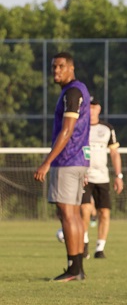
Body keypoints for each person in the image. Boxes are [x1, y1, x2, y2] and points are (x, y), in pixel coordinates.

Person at [33, 52, 90, 282]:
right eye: (53, 67)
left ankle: (73, 269)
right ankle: (77, 267)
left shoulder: (73, 92)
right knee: (72, 214)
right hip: (77, 161)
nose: (56, 71)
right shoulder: (78, 90)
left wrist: (47, 162)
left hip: (67, 160)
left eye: (60, 66)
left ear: (71, 68)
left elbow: (67, 130)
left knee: (67, 215)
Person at [80, 97, 123, 259]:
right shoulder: (80, 126)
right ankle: (84, 243)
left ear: (99, 109)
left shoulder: (107, 129)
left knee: (104, 212)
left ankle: (100, 248)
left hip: (102, 177)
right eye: (88, 107)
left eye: (94, 107)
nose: (91, 110)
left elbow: (114, 153)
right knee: (84, 209)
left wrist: (119, 176)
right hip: (84, 175)